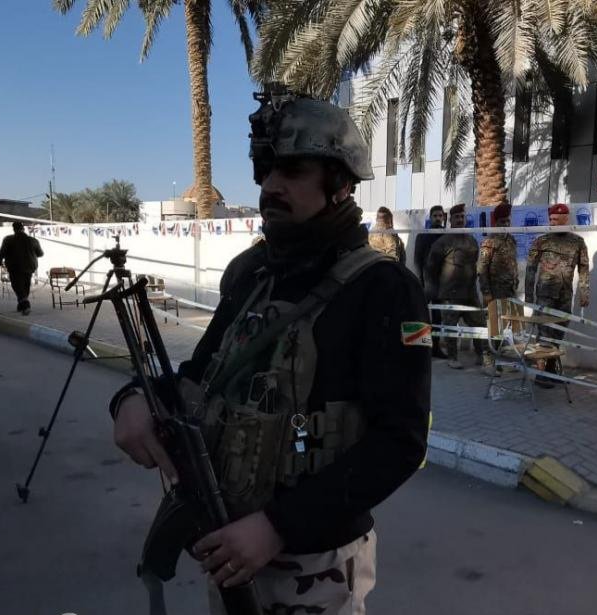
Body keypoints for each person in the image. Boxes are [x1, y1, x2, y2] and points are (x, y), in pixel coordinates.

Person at [109, 89, 431, 614]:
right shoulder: (251, 273)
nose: (271, 186)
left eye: (294, 170)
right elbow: (199, 378)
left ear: (340, 183)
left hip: (315, 566)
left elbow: (400, 442)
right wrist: (132, 398)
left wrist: (277, 527)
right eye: (265, 170)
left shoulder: (385, 290)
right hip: (228, 547)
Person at [525, 203, 589, 383]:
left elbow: (584, 268)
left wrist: (584, 292)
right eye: (551, 219)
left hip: (565, 296)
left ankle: (552, 370)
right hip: (545, 296)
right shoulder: (542, 241)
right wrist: (529, 296)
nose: (551, 222)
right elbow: (530, 269)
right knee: (544, 334)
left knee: (559, 332)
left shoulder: (577, 242)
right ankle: (541, 374)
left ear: (565, 219)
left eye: (555, 219)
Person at [425, 203, 490, 371]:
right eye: (457, 217)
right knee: (451, 328)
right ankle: (452, 357)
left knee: (479, 325)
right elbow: (431, 268)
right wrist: (433, 289)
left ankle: (482, 355)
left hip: (470, 293)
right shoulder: (442, 242)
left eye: (462, 217)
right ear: (450, 220)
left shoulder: (472, 241)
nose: (460, 220)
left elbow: (475, 264)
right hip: (450, 294)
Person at [477, 203, 519, 360]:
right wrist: (486, 292)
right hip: (494, 292)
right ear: (496, 222)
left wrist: (516, 281)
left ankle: (502, 358)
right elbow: (482, 269)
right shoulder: (489, 242)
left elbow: (513, 263)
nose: (505, 224)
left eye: (507, 221)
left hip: (510, 291)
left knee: (508, 326)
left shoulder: (511, 240)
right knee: (492, 327)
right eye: (502, 221)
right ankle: (487, 358)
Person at [414, 205, 447, 358]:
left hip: (442, 283)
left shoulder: (446, 236)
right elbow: (417, 260)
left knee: (438, 317)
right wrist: (420, 281)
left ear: (443, 217)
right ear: (430, 218)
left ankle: (436, 348)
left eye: (440, 216)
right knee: (420, 315)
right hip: (426, 283)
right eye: (435, 216)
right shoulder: (423, 236)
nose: (438, 218)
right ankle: (420, 348)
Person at [0, 221, 45, 315]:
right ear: (23, 229)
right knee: (25, 285)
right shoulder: (33, 240)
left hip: (15, 267)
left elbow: (1, 252)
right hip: (30, 266)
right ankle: (21, 305)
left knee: (17, 286)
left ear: (14, 229)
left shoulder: (8, 239)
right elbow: (40, 253)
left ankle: (25, 305)